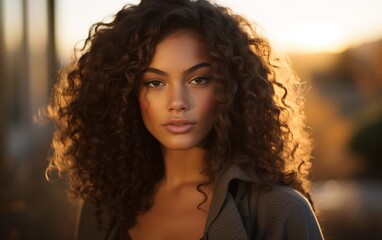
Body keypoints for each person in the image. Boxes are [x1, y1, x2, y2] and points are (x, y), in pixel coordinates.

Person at [46, 0, 324, 239]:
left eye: (198, 79)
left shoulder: (279, 211)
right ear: (126, 93)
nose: (177, 102)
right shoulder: (103, 208)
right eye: (155, 82)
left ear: (229, 88)